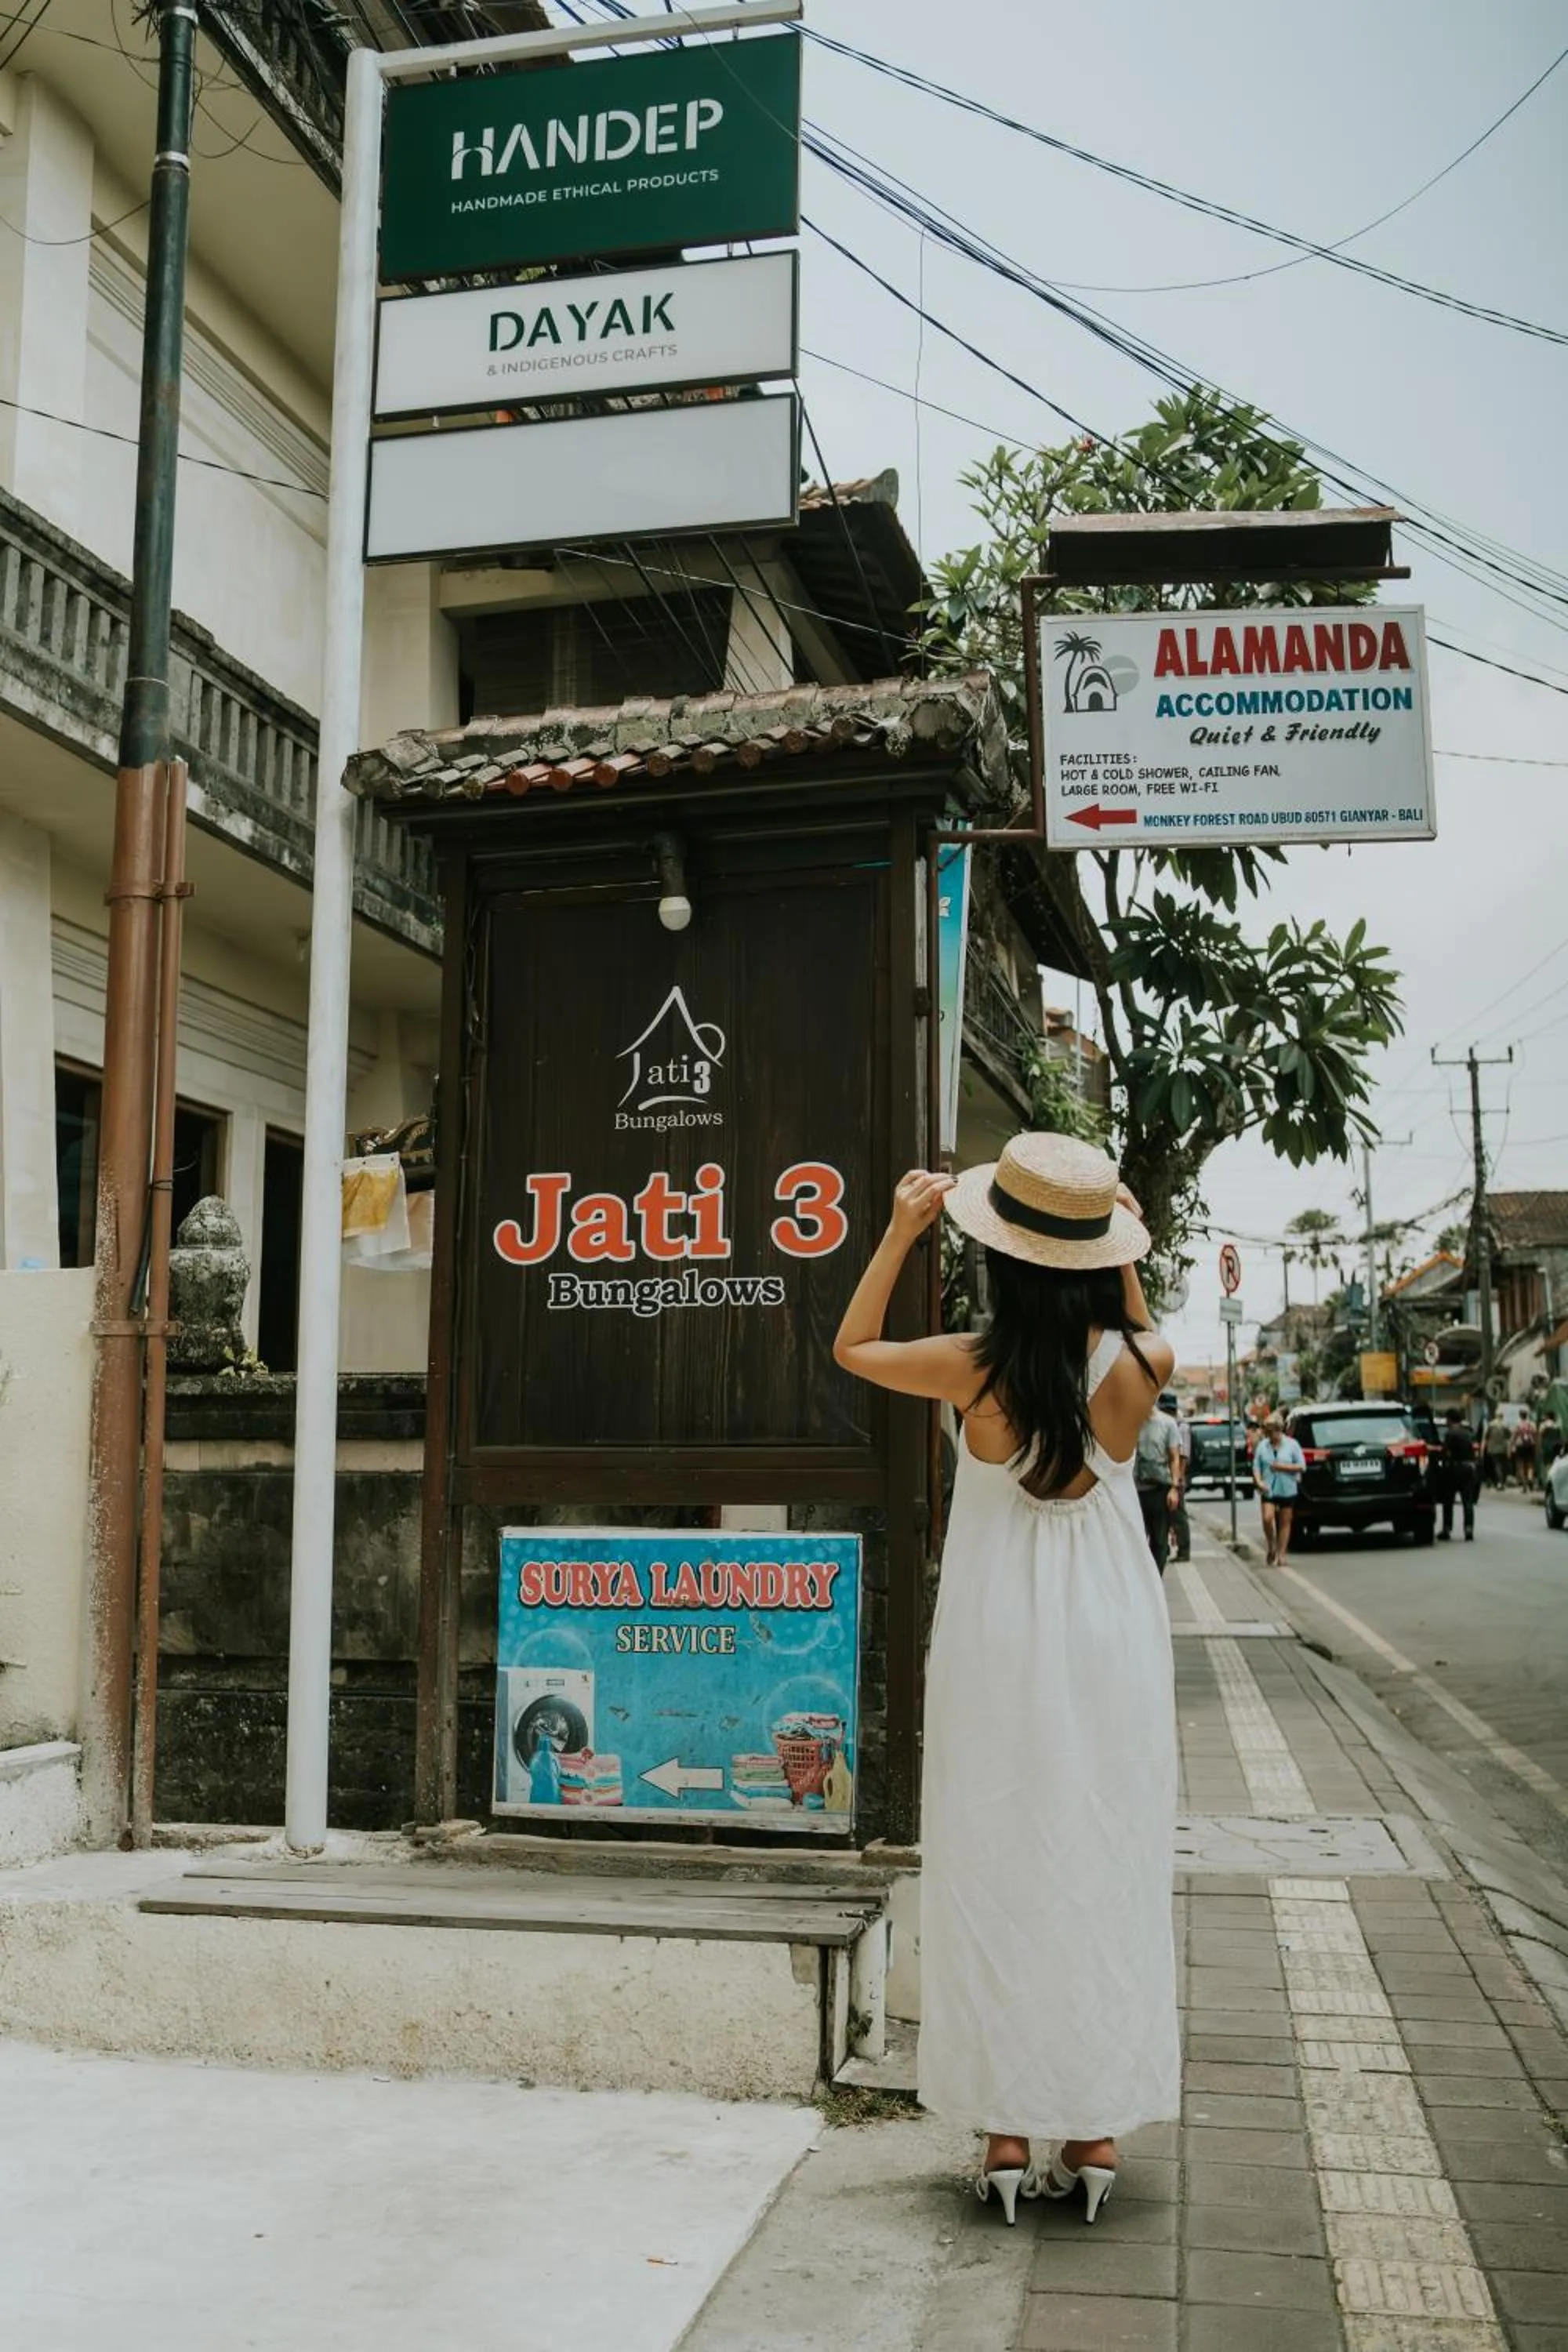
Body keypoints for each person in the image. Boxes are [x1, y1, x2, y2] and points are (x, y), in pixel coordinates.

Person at [833, 1134, 1179, 2229]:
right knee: (1102, 1859)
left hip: (993, 1639)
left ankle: (1004, 2135)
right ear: (1087, 1259)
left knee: (995, 1865)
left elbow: (852, 1346)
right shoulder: (1136, 1369)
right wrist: (1123, 1245)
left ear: (998, 1258)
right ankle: (1094, 2133)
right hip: (1110, 1639)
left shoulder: (967, 1364)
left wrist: (897, 1231)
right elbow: (1142, 1329)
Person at [1134, 1396, 1183, 1573]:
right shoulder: (1133, 1423)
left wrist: (1174, 1488)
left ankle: (1156, 1579)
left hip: (1160, 1490)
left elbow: (1174, 1458)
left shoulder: (1167, 1424)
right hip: (1136, 1491)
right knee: (1137, 1541)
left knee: (1160, 1541)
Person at [1253, 1412, 1307, 1566]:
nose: (1269, 1435)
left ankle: (1282, 1554)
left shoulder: (1292, 1445)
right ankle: (1271, 1546)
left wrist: (1282, 1467)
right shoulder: (1263, 1446)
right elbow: (1256, 1466)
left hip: (1287, 1488)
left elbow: (1302, 1466)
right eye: (1267, 1432)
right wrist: (1259, 1481)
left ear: (1279, 1430)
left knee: (1285, 1522)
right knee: (1267, 1518)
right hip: (1268, 1488)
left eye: (1271, 1432)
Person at [1438, 1407, 1479, 1542]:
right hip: (1469, 1469)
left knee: (1448, 1500)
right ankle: (1469, 1529)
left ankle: (1447, 1528)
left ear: (1449, 1420)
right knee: (1467, 1501)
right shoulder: (1468, 1433)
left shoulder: (1450, 1434)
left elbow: (1446, 1453)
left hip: (1454, 1469)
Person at [1168, 1396, 1193, 1564]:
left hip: (1177, 1475)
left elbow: (1183, 1455)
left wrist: (1179, 1477)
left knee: (1178, 1514)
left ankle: (1184, 1551)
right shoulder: (1168, 1424)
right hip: (1166, 1474)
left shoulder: (1181, 1426)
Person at [1483, 1408, 1511, 1490]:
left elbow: (1486, 1437)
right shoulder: (1505, 1425)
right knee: (1502, 1465)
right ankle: (1500, 1482)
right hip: (1503, 1448)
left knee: (1496, 1465)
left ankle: (1499, 1482)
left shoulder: (1491, 1425)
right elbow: (1509, 1436)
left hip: (1492, 1448)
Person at [1512, 1411, 1537, 1493]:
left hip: (1520, 1446)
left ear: (1520, 1416)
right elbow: (1535, 1435)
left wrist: (1511, 1446)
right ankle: (1530, 1478)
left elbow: (1514, 1436)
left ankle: (1524, 1486)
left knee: (1520, 1465)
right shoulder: (1532, 1424)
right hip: (1530, 1445)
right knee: (1530, 1464)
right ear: (1527, 1416)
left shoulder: (1518, 1424)